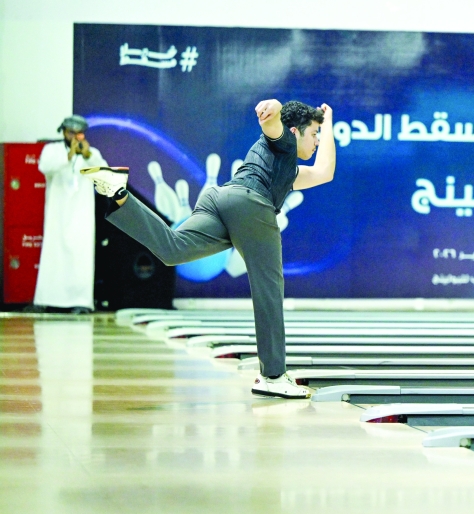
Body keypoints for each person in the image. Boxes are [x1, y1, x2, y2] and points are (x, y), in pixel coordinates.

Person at [82, 100, 336, 398]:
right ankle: (273, 376)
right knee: (269, 288)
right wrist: (274, 108)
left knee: (173, 249)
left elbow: (325, 172)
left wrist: (326, 122)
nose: (318, 140)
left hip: (221, 200)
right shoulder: (284, 144)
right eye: (315, 133)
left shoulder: (285, 169)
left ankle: (119, 193)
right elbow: (273, 124)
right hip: (251, 205)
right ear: (295, 132)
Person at [29, 115, 108, 315]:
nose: (74, 136)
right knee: (53, 256)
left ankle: (81, 302)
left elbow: (104, 174)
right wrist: (69, 156)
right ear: (63, 132)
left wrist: (87, 154)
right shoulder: (52, 150)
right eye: (70, 132)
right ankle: (46, 299)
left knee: (81, 256)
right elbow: (45, 167)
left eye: (77, 133)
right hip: (57, 214)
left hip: (81, 215)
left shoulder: (91, 153)